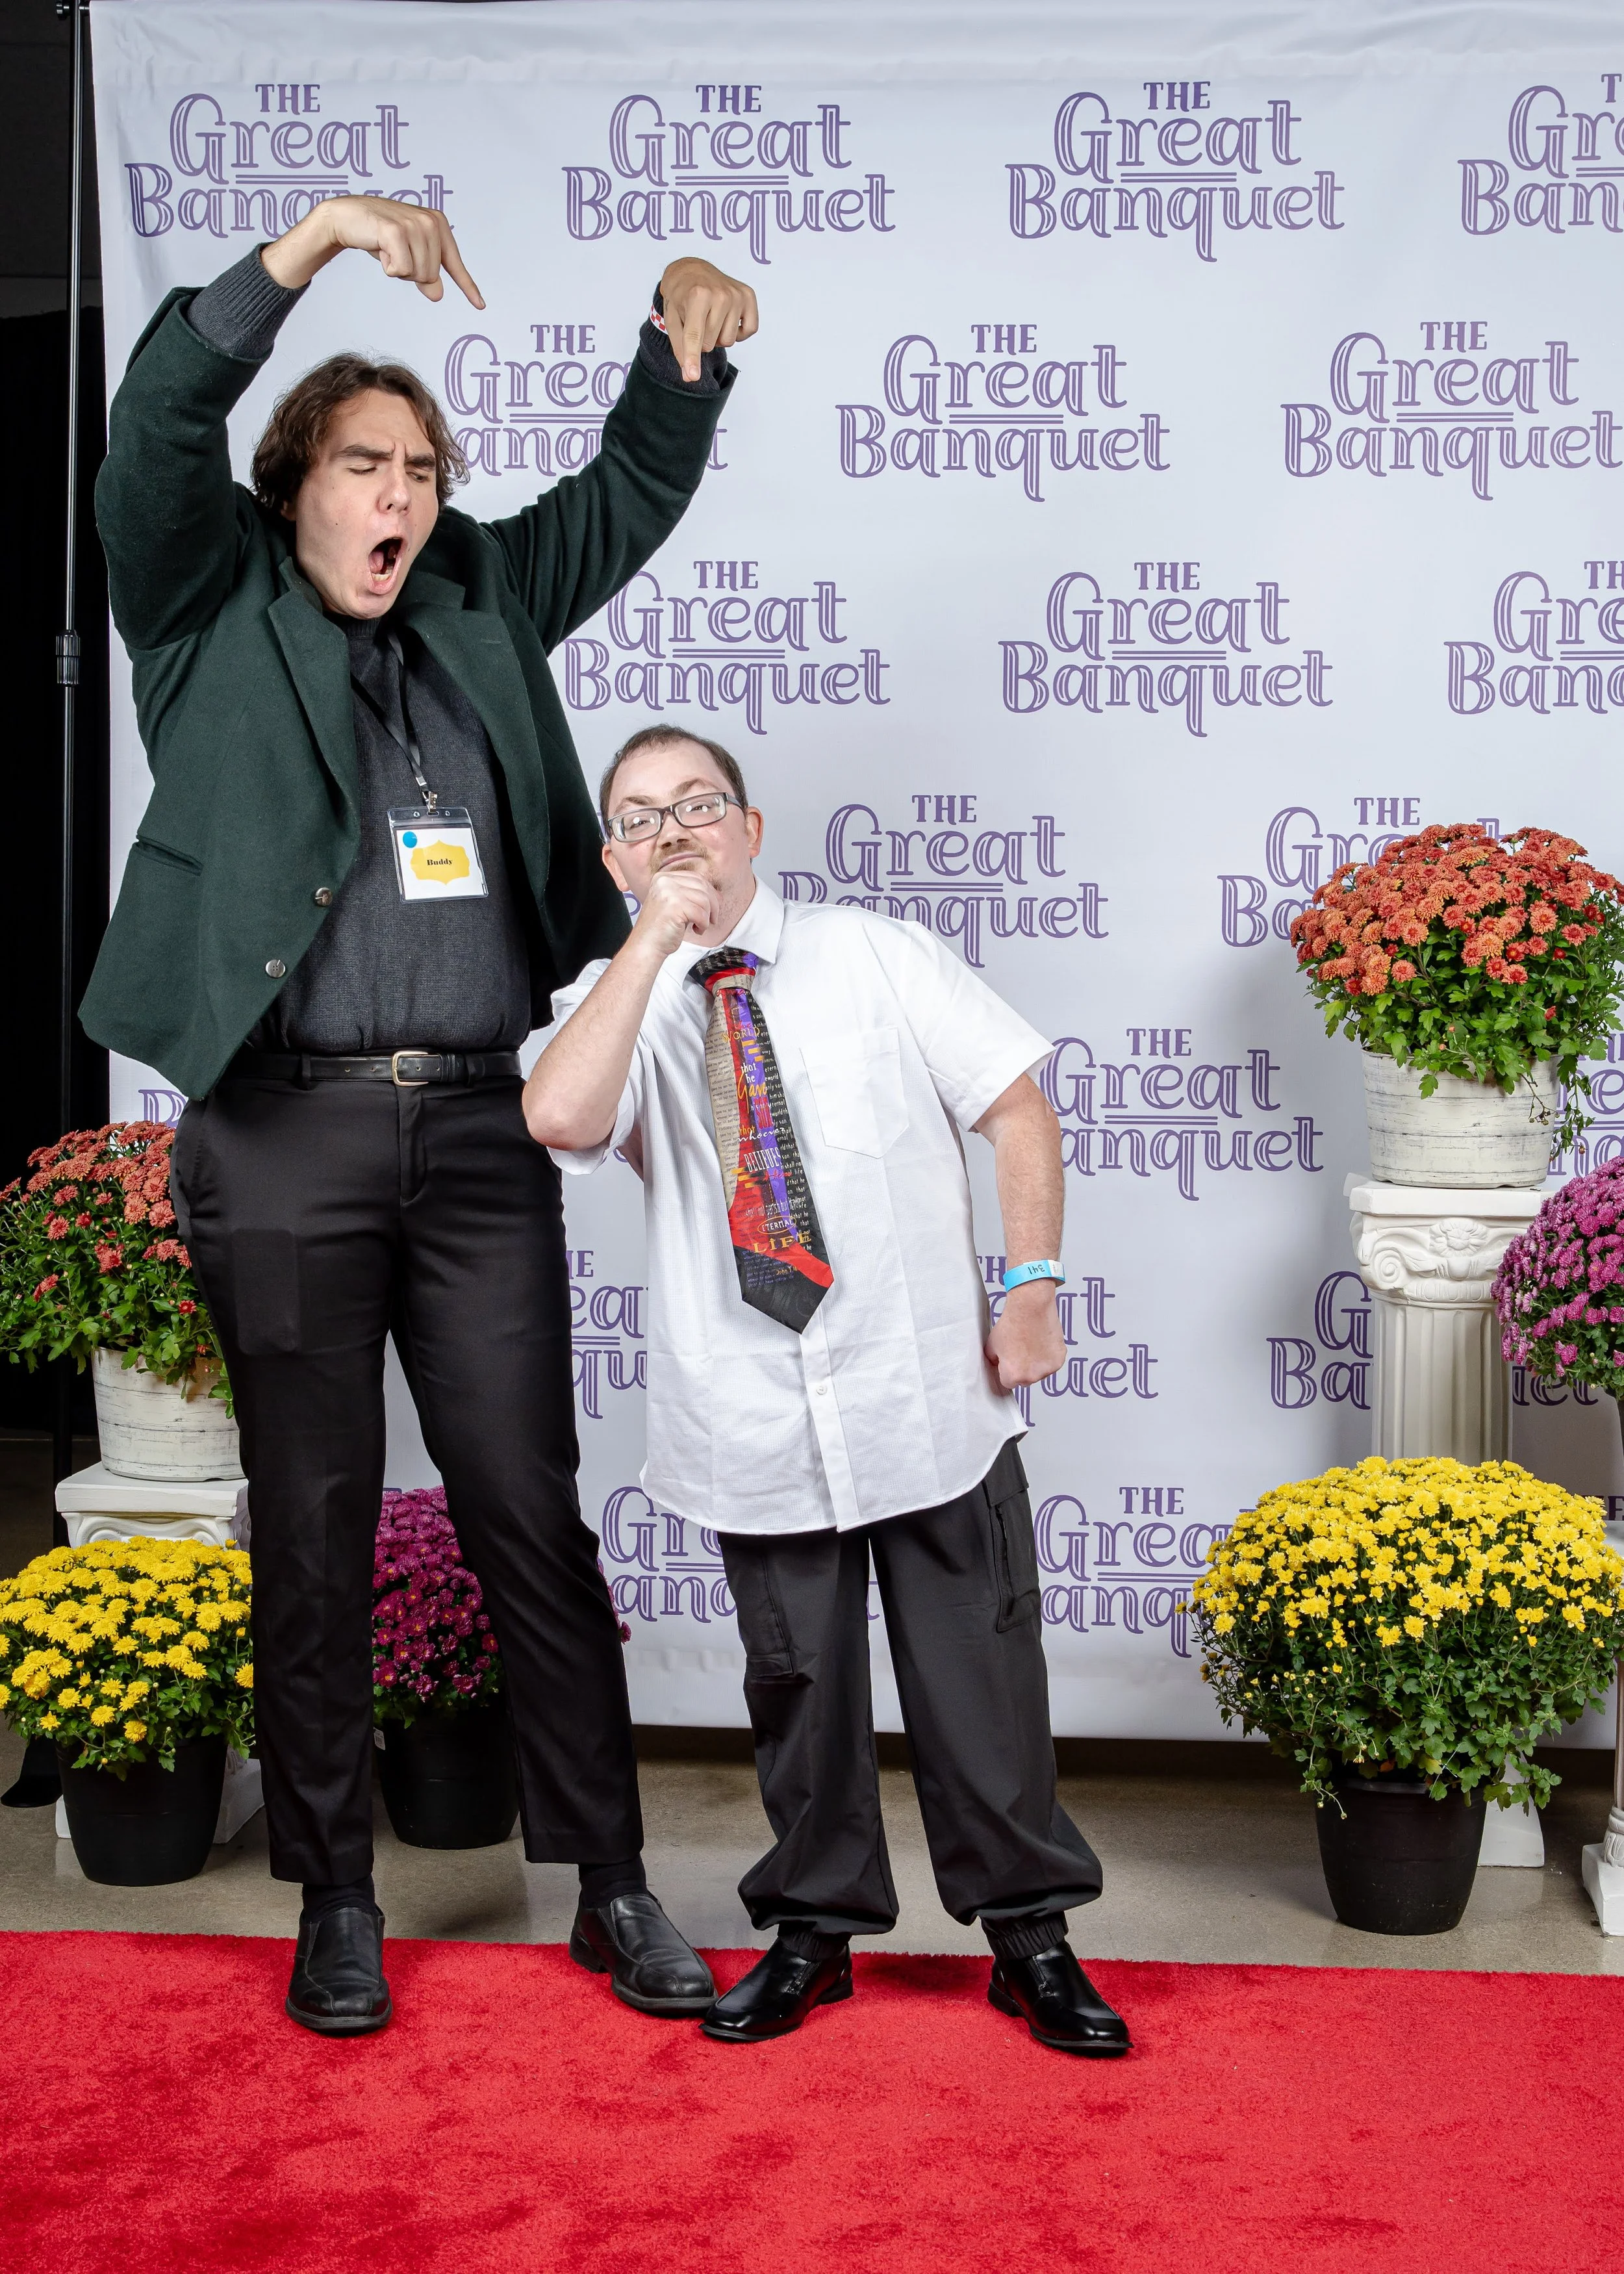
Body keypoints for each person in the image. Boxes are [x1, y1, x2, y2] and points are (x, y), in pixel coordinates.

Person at [84, 197, 757, 2036]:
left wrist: (680, 354)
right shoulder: (200, 600)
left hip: (474, 1139)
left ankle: (611, 1884)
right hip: (280, 1136)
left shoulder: (471, 593)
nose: (404, 490)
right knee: (307, 1520)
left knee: (525, 1507)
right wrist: (308, 247)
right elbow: (152, 430)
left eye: (426, 466)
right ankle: (333, 1893)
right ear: (298, 483)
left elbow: (620, 494)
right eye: (370, 461)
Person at [524, 726, 1132, 2056]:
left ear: (749, 824)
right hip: (748, 1406)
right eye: (639, 820)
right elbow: (564, 1120)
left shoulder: (875, 954)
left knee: (982, 1676)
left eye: (696, 805)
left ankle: (1029, 1936)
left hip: (925, 1390)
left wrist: (1029, 1282)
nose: (674, 831)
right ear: (617, 857)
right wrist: (650, 941)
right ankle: (812, 1932)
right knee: (797, 1690)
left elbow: (1016, 1106)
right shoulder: (609, 997)